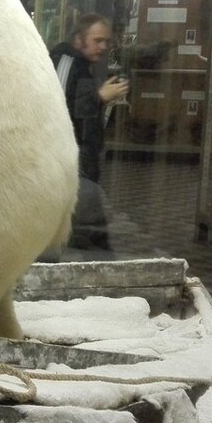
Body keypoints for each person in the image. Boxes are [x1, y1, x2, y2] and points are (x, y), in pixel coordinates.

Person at [51, 14, 129, 250]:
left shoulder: (80, 65)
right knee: (88, 236)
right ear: (78, 39)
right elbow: (58, 111)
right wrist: (100, 97)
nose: (103, 47)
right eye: (98, 40)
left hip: (81, 163)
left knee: (88, 235)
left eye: (107, 41)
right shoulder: (66, 62)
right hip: (69, 164)